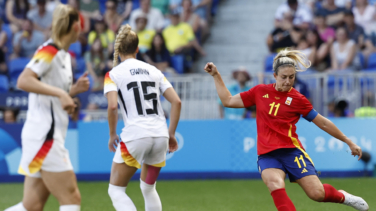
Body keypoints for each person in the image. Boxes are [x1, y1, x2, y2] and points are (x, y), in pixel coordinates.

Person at [204, 49, 369, 211]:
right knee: (275, 184)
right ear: (275, 76)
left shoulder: (298, 99)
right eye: (284, 77)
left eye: (291, 77)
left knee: (317, 194)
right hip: (267, 154)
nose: (288, 81)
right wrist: (216, 75)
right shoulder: (260, 91)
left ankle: (344, 197)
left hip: (292, 152)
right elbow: (228, 100)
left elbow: (323, 123)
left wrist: (348, 141)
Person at [5, 4, 90, 211]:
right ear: (76, 27)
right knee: (71, 198)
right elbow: (24, 80)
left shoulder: (62, 55)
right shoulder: (49, 50)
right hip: (45, 138)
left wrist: (71, 92)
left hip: (43, 137)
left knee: (31, 205)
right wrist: (62, 93)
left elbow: (49, 93)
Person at [104, 24, 181, 211]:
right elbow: (177, 102)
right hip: (160, 134)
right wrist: (171, 134)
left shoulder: (113, 74)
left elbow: (113, 106)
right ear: (137, 48)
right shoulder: (154, 70)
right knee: (148, 188)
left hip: (136, 135)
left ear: (118, 49)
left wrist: (112, 134)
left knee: (116, 190)